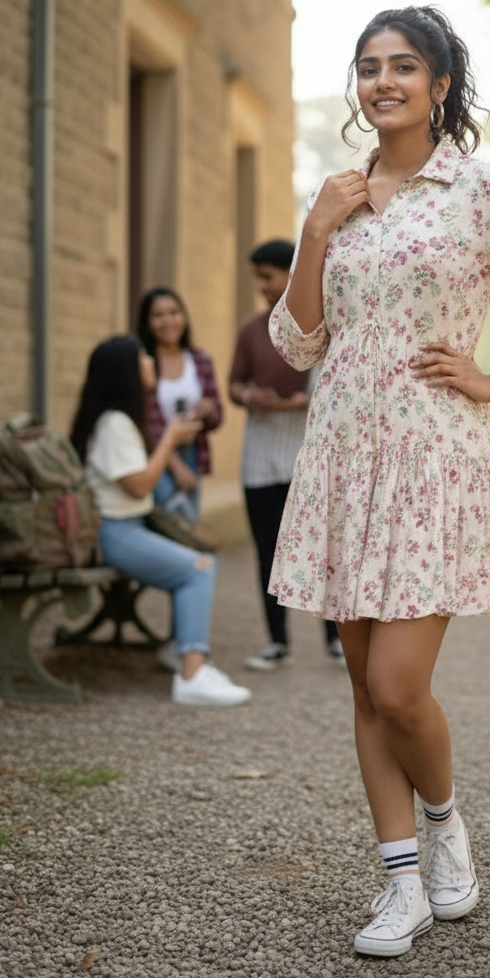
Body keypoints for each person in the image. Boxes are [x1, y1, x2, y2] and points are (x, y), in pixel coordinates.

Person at [267, 6, 490, 956]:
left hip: (431, 462)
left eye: (404, 67)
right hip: (343, 455)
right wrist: (314, 229)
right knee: (360, 686)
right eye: (369, 67)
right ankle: (401, 886)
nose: (383, 82)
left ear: (440, 85)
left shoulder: (481, 189)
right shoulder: (337, 196)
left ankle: (445, 820)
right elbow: (298, 345)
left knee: (398, 685)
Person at [71, 335, 251, 707]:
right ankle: (191, 673)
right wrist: (169, 440)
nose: (150, 361)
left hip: (128, 527)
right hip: (115, 533)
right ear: (126, 370)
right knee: (199, 568)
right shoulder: (116, 423)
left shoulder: (123, 419)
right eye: (142, 358)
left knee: (198, 558)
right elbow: (139, 486)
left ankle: (184, 650)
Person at [229, 240, 344, 670]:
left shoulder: (324, 324)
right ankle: (277, 642)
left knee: (324, 548)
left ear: (290, 275)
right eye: (257, 278)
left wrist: (304, 402)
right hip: (260, 455)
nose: (261, 286)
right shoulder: (250, 330)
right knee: (266, 549)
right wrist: (250, 396)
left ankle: (335, 640)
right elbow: (234, 385)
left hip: (309, 449)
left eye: (267, 277)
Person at [136, 287, 223, 524]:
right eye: (158, 315)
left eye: (174, 312)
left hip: (192, 451)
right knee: (167, 522)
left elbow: (218, 418)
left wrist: (207, 410)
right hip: (153, 454)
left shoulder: (200, 359)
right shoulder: (143, 362)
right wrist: (174, 464)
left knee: (188, 525)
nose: (168, 321)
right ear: (147, 322)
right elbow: (144, 421)